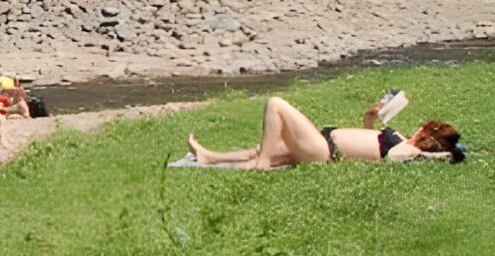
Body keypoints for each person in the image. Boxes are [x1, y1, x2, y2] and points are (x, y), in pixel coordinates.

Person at [185, 97, 465, 170]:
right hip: (323, 141)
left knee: (276, 105)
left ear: (425, 136)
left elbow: (392, 157)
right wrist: (369, 118)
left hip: (325, 149)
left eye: (422, 128)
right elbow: (370, 143)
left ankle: (262, 163)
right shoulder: (402, 141)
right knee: (265, 150)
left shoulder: (408, 150)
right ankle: (210, 157)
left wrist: (439, 156)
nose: (418, 127)